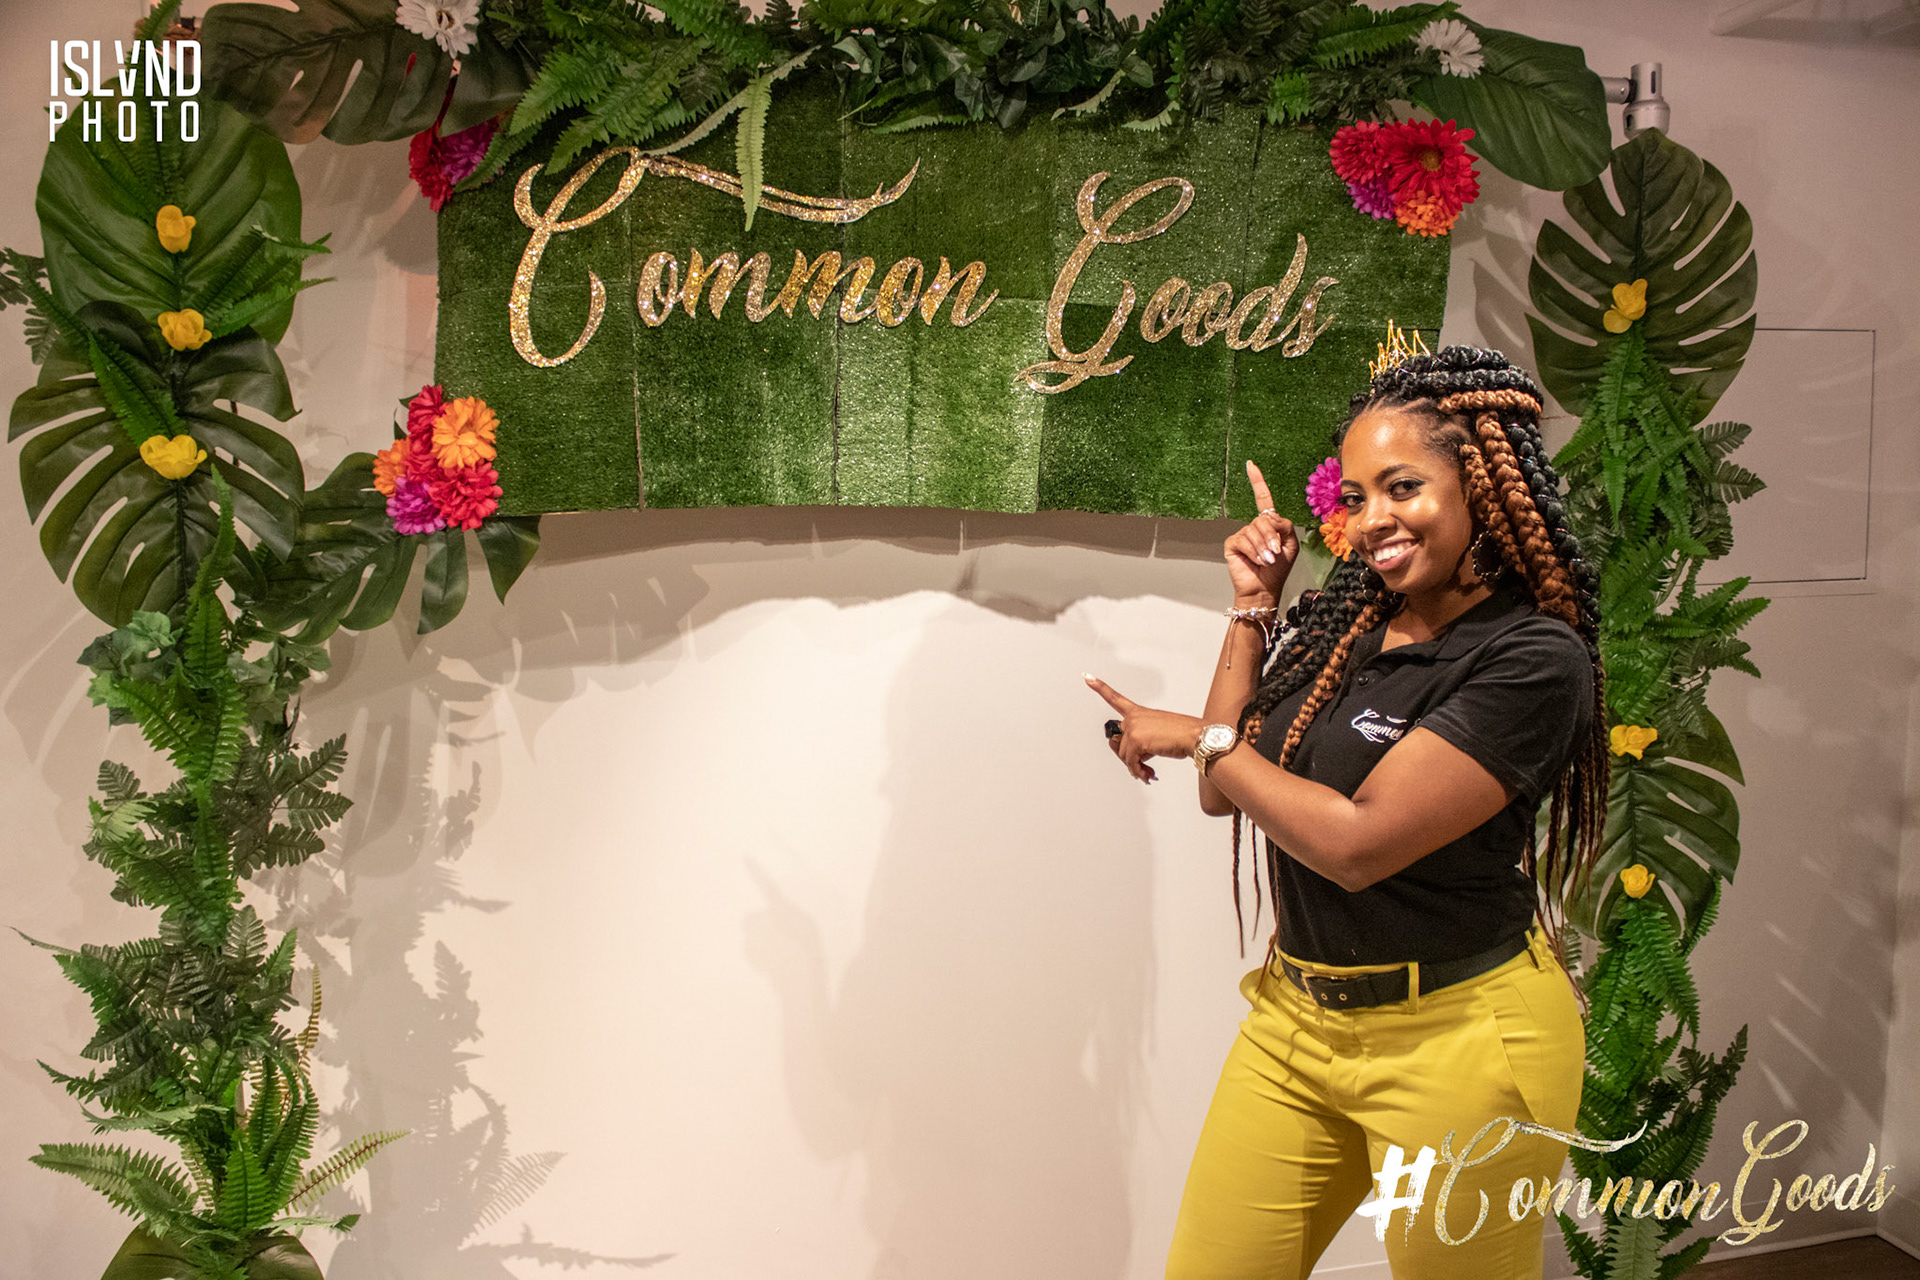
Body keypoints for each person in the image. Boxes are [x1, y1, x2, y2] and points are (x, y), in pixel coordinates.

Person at [1086, 343, 1610, 1279]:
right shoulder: (1351, 629)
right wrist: (1255, 607)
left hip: (1461, 1041)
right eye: (1357, 497)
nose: (1373, 522)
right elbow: (1222, 789)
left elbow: (1356, 845)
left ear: (1481, 484)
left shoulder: (1532, 657)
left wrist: (1196, 736)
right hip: (1296, 1024)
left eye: (1403, 488)